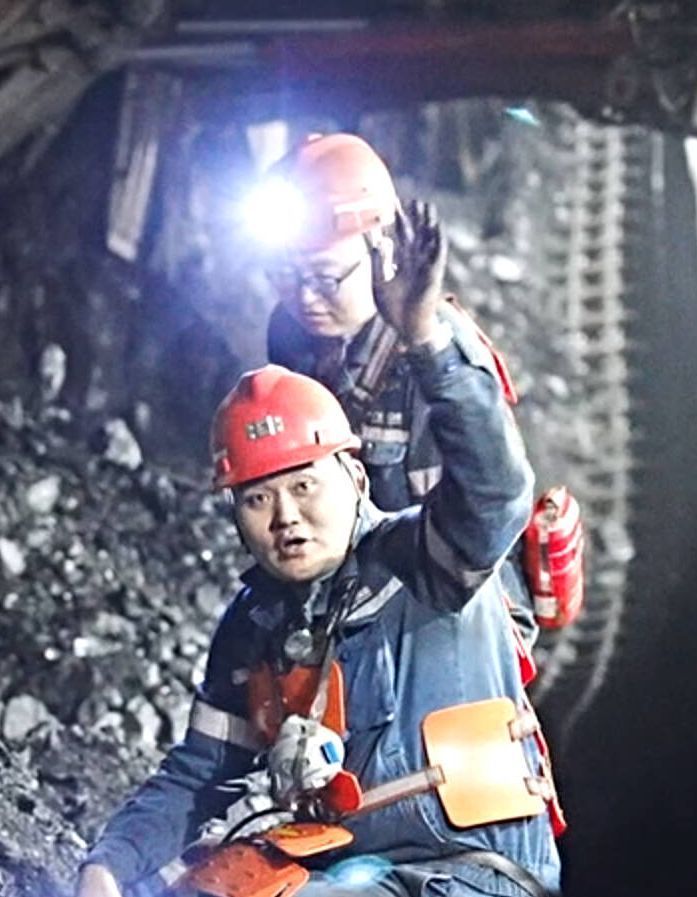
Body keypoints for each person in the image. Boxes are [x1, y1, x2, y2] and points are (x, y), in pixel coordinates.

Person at [71, 201, 562, 897]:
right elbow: (199, 772)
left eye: (303, 486)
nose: (285, 518)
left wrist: (426, 337)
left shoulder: (429, 561)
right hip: (356, 881)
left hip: (469, 883)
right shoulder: (259, 621)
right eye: (258, 499)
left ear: (351, 472)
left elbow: (496, 489)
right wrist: (108, 867)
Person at [248, 133, 586, 669]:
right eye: (285, 275)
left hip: (447, 615)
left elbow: (497, 498)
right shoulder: (293, 336)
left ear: (382, 252)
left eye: (326, 278)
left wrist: (424, 338)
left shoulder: (437, 348)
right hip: (352, 605)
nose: (305, 297)